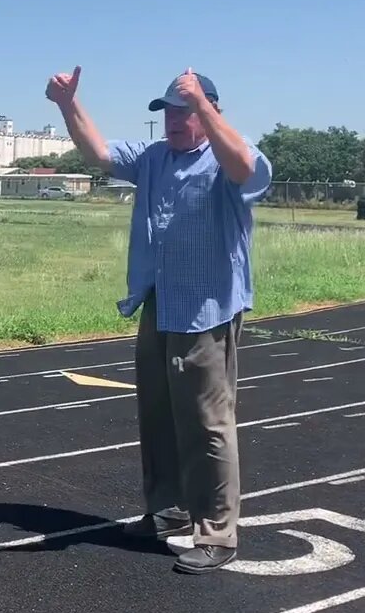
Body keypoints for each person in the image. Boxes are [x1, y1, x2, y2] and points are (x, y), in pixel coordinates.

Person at [46, 65, 272, 574]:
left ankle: (217, 530)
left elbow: (245, 169)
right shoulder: (153, 159)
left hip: (207, 311)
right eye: (167, 111)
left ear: (208, 112)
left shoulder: (229, 155)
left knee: (207, 423)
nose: (172, 120)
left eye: (183, 110)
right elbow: (99, 155)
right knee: (158, 415)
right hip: (161, 303)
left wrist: (205, 107)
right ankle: (167, 509)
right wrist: (67, 105)